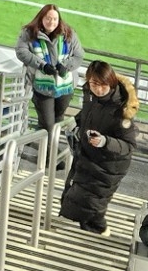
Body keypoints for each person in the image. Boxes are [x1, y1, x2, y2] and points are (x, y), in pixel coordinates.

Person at [59, 60, 137, 233]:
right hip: (89, 156)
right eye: (94, 84)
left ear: (111, 83)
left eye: (103, 85)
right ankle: (91, 230)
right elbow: (89, 113)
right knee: (76, 198)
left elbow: (129, 145)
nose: (99, 89)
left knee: (91, 203)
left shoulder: (121, 110)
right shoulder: (90, 95)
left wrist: (104, 141)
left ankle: (100, 230)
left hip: (109, 165)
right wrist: (76, 121)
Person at [15, 5, 84, 132]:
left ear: (59, 20)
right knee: (46, 124)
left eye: (55, 19)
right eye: (48, 18)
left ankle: (52, 144)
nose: (51, 22)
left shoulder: (69, 33)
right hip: (41, 87)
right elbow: (21, 51)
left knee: (58, 120)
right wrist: (42, 65)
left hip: (65, 86)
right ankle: (46, 144)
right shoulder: (29, 33)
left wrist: (65, 66)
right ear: (41, 18)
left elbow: (79, 55)